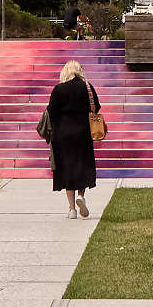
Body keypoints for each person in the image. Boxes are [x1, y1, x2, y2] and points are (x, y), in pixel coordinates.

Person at [47, 59, 101, 218]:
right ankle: (81, 196)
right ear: (79, 71)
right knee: (82, 165)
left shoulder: (58, 89)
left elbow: (51, 111)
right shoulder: (87, 87)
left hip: (62, 134)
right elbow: (96, 107)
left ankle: (71, 209)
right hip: (83, 132)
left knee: (67, 168)